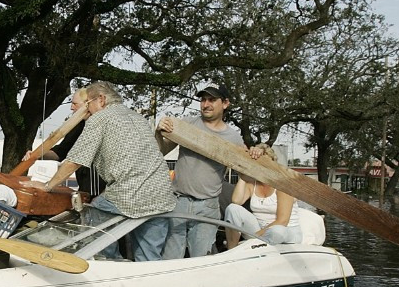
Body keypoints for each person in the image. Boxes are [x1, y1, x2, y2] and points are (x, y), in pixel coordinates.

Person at [21, 81, 175, 261]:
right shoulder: (137, 117)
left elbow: (74, 161)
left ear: (101, 100)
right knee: (149, 257)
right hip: (162, 195)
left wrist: (47, 186)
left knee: (94, 218)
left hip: (129, 193)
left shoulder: (99, 118)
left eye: (88, 104)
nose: (86, 110)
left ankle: (110, 264)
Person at [155, 83, 245, 259]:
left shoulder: (233, 137)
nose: (206, 104)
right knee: (170, 260)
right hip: (178, 201)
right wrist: (159, 132)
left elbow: (246, 166)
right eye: (203, 100)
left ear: (225, 104)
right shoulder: (187, 124)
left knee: (201, 261)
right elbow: (161, 150)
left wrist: (257, 152)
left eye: (212, 100)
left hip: (208, 205)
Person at [22, 88, 106, 197]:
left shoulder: (99, 126)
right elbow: (60, 152)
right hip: (86, 191)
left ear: (88, 104)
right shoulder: (78, 126)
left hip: (101, 193)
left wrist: (48, 186)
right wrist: (36, 155)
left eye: (75, 104)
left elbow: (74, 162)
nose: (72, 107)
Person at [224, 144, 302, 247]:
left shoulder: (283, 185)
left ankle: (253, 248)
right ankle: (231, 251)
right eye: (259, 164)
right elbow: (236, 201)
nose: (263, 168)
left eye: (266, 164)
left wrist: (254, 238)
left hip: (285, 230)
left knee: (277, 231)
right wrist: (244, 175)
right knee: (232, 209)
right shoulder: (253, 183)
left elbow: (282, 221)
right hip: (260, 230)